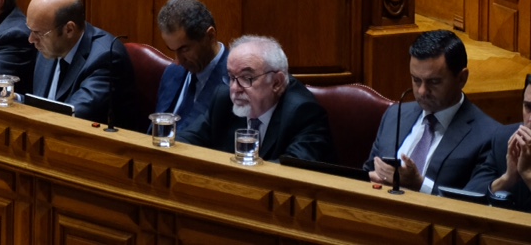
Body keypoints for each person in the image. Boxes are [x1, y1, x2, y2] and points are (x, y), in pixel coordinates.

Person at [364, 30, 499, 193]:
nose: (422, 91)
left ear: (462, 78)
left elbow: (474, 205)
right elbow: (367, 172)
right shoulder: (394, 115)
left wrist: (420, 186)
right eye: (416, 80)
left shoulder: (489, 137)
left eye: (434, 82)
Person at [181, 35, 335, 163]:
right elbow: (186, 140)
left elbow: (293, 170)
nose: (235, 88)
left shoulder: (303, 113)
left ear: (276, 83)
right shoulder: (224, 99)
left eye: (247, 78)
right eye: (231, 77)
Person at [24, 0, 138, 126]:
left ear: (69, 29)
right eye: (31, 30)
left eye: (38, 33)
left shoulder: (106, 58)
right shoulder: (49, 44)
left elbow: (73, 115)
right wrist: (15, 99)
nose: (31, 39)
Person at [155, 0, 228, 124]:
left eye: (184, 49)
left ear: (210, 36)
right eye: (172, 50)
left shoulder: (235, 83)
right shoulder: (172, 73)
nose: (177, 61)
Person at [465, 75, 531, 210]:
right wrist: (506, 179)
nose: (530, 119)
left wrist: (528, 175)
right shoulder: (505, 139)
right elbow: (467, 197)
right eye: (528, 107)